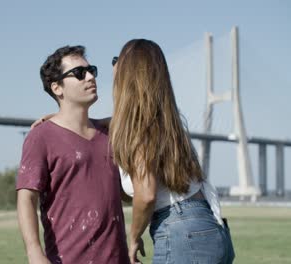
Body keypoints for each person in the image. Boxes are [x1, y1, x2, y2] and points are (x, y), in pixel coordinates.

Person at [110, 39, 235, 264]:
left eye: (117, 60)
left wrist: (134, 236)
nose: (113, 67)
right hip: (209, 228)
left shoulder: (140, 129)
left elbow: (146, 195)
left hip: (182, 234)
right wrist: (62, 121)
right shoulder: (166, 123)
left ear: (129, 72)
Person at [16, 45, 130, 264]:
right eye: (79, 73)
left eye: (92, 70)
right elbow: (26, 198)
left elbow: (138, 118)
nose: (90, 77)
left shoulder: (110, 134)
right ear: (57, 88)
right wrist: (34, 252)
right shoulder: (41, 137)